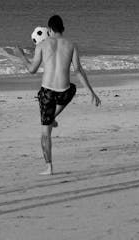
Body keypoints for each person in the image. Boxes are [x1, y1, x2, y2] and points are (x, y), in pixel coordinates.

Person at [15, 14, 101, 175]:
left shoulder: (42, 45)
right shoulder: (71, 45)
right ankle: (53, 117)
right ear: (63, 28)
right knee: (72, 88)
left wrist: (21, 55)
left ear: (49, 29)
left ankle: (49, 167)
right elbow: (78, 71)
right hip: (64, 92)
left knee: (45, 133)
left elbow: (32, 70)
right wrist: (92, 92)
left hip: (47, 93)